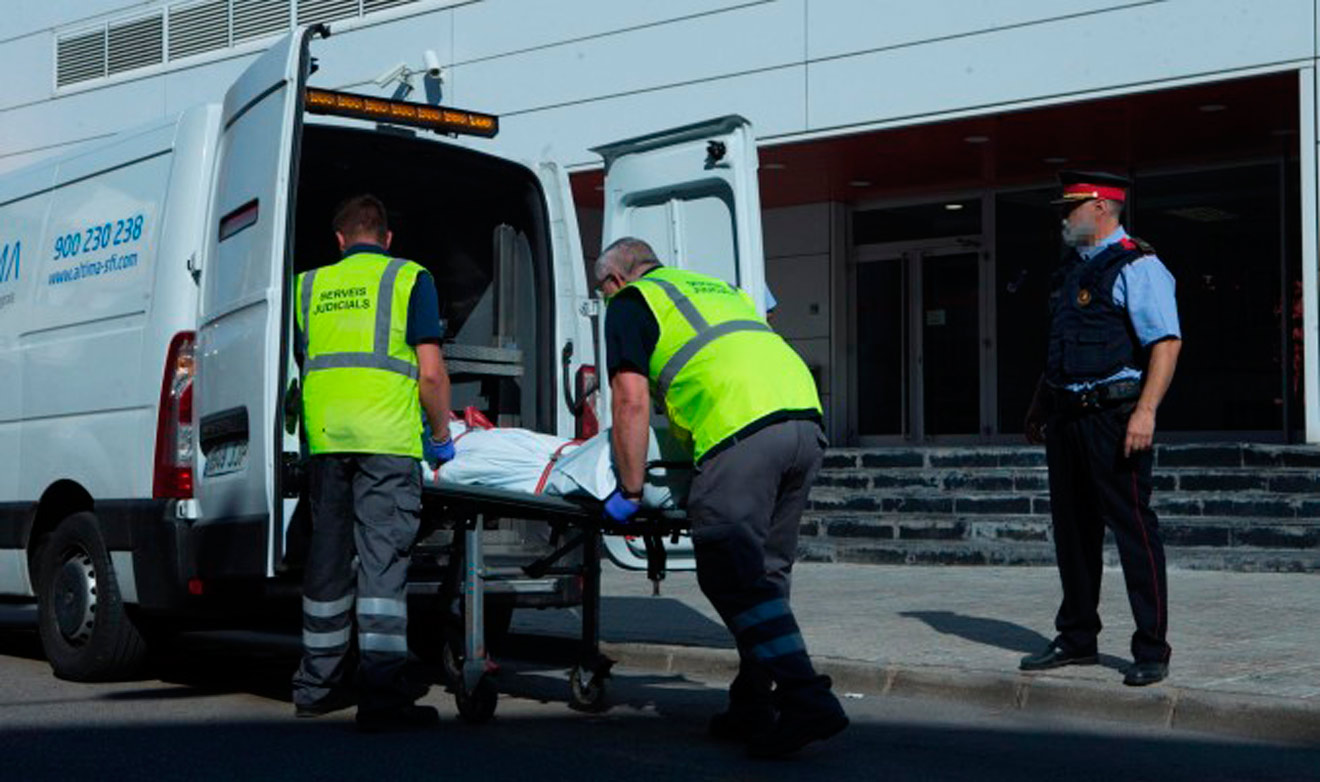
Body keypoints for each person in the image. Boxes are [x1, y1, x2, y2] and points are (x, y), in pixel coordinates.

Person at [596, 238, 848, 757]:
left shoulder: (631, 301)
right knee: (766, 574)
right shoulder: (717, 290)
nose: (605, 303)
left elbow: (630, 398)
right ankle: (752, 703)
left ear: (616, 280)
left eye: (603, 293)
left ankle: (805, 697)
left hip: (742, 431)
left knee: (729, 570)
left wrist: (630, 487)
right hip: (804, 419)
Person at [291, 194, 456, 731]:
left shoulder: (308, 285)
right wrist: (440, 433)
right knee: (382, 565)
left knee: (329, 561)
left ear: (339, 241)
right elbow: (430, 373)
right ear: (387, 239)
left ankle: (316, 686)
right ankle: (383, 697)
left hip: (327, 441)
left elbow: (307, 360)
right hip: (386, 440)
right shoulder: (410, 278)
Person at [1022, 172, 1182, 687]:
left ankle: (1152, 648)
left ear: (1100, 208)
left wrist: (1146, 411)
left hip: (1114, 418)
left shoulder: (1138, 264)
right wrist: (1038, 406)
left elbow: (1166, 343)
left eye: (1070, 209)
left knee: (1134, 529)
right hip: (1066, 417)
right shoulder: (1070, 272)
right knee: (1073, 533)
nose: (1063, 219)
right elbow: (1059, 350)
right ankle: (1076, 637)